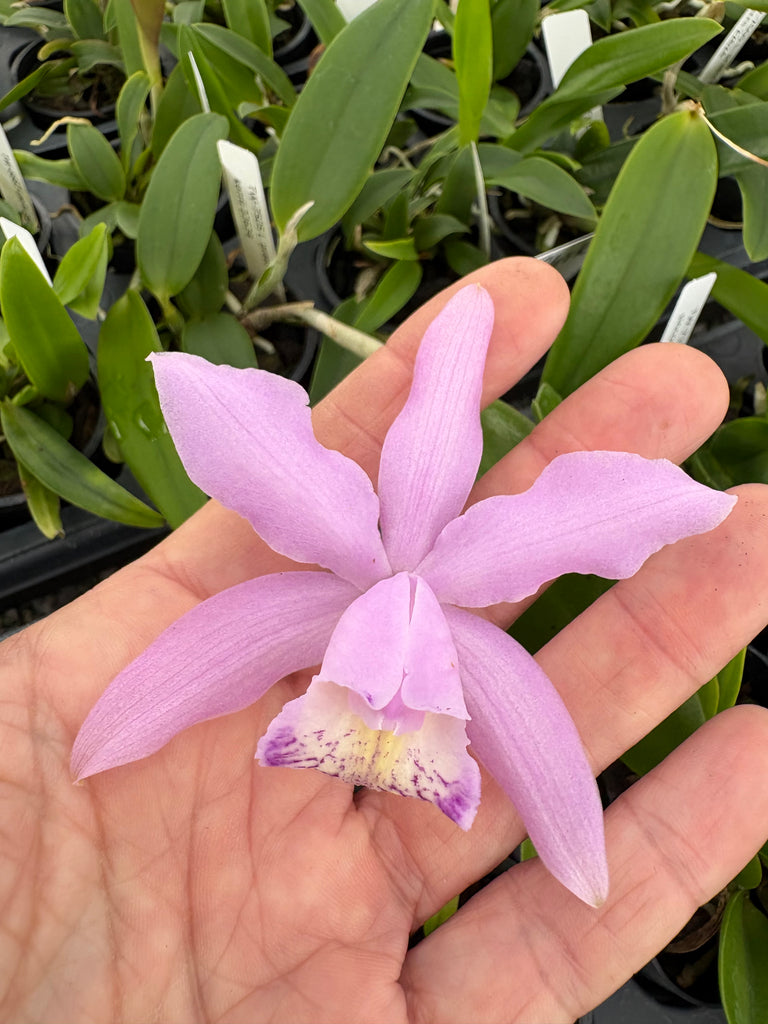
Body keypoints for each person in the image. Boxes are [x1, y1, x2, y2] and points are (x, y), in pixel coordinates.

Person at [2, 258, 767, 1024]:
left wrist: (576, 850)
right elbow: (166, 688)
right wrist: (91, 746)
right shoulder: (302, 614)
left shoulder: (483, 665)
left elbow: (556, 796)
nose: (387, 709)